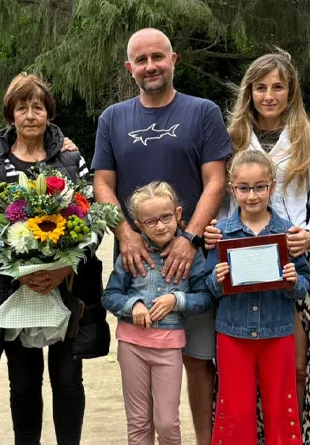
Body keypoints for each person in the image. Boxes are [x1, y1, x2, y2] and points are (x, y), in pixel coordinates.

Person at [92, 28, 232, 445]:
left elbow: (216, 182)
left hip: (192, 261)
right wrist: (125, 233)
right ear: (129, 67)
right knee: (142, 375)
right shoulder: (112, 118)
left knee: (199, 362)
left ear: (174, 59)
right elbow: (102, 184)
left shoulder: (203, 111)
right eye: (141, 59)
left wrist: (188, 239)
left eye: (158, 57)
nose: (150, 66)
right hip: (136, 266)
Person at [0, 72, 108, 445]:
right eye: (22, 107)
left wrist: (65, 265)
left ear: (48, 113)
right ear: (10, 113)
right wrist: (17, 269)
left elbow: (92, 219)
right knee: (24, 380)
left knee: (67, 378)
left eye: (38, 107)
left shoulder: (70, 157)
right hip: (13, 288)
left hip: (67, 285)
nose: (30, 115)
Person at [202, 51, 310, 443]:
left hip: (293, 259)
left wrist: (309, 234)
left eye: (278, 86)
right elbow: (225, 200)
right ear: (249, 91)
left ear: (291, 91)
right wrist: (216, 233)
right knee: (240, 375)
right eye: (261, 87)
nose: (269, 95)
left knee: (294, 366)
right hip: (240, 259)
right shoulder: (232, 136)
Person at [207, 150, 310, 444]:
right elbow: (207, 284)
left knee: (282, 409)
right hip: (233, 332)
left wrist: (293, 282)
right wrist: (217, 280)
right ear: (232, 190)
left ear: (272, 186)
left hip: (277, 332)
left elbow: (305, 281)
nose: (252, 196)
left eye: (259, 187)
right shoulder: (221, 234)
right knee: (235, 413)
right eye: (243, 188)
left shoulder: (287, 234)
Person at [102, 181, 214, 445]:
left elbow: (206, 298)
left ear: (177, 214)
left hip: (169, 347)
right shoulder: (131, 255)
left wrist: (177, 300)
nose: (161, 226)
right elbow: (110, 295)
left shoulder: (191, 256)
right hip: (132, 345)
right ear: (138, 226)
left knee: (166, 423)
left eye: (165, 217)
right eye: (151, 221)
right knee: (138, 422)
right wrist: (134, 305)